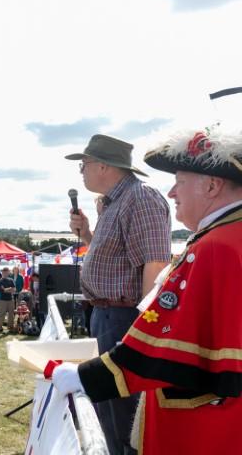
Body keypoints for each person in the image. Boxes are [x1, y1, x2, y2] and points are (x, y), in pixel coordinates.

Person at [51, 126, 242, 455]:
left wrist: (90, 375)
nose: (172, 192)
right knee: (111, 421)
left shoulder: (215, 244)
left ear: (212, 185)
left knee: (121, 420)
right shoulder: (220, 235)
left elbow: (155, 271)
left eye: (180, 181)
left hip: (135, 331)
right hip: (118, 322)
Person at [65, 133, 171, 454]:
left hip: (125, 319)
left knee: (126, 420)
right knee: (109, 413)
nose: (81, 171)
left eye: (83, 164)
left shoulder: (141, 199)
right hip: (108, 316)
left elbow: (155, 264)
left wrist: (143, 331)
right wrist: (87, 234)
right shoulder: (115, 203)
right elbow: (117, 259)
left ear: (103, 166)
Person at [0, 267, 16, 334]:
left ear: (8, 272)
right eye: (4, 272)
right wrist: (10, 289)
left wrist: (6, 289)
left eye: (6, 271)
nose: (5, 273)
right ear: (2, 272)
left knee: (11, 314)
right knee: (2, 314)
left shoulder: (11, 280)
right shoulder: (0, 281)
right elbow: (3, 291)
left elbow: (14, 290)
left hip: (11, 299)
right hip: (3, 300)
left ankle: (10, 327)